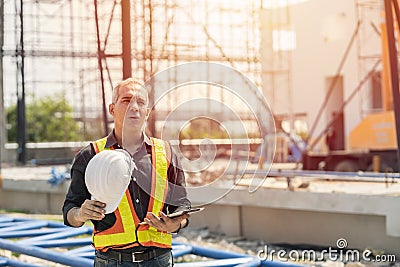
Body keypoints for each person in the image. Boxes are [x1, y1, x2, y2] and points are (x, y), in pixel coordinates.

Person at [62, 78, 191, 266]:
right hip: (112, 261)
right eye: (126, 100)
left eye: (140, 102)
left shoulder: (167, 153)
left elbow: (182, 205)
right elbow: (69, 213)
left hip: (159, 260)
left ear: (147, 112)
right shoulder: (90, 156)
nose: (135, 107)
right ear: (112, 109)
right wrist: (81, 214)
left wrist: (177, 223)